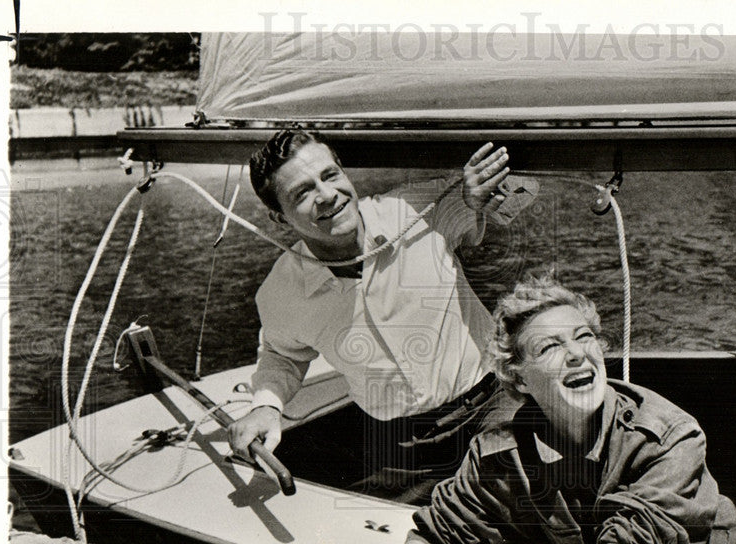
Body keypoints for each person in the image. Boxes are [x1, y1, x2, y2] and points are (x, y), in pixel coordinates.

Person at [335, 275, 736, 544]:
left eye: (584, 336)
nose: (578, 353)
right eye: (550, 347)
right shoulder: (499, 449)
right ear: (516, 377)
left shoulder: (668, 435)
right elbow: (443, 529)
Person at [228, 130, 537, 502]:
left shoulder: (418, 209)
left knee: (520, 504)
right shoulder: (281, 292)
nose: (326, 196)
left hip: (493, 406)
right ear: (279, 217)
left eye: (330, 176)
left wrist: (476, 198)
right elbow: (283, 354)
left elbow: (525, 184)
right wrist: (266, 405)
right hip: (400, 446)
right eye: (302, 193)